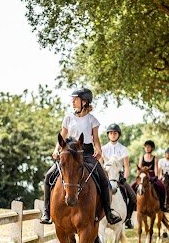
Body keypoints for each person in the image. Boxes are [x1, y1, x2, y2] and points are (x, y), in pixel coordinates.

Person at [39, 88, 123, 225]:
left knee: (103, 179)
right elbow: (63, 136)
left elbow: (96, 140)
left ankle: (109, 213)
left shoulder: (92, 120)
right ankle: (47, 212)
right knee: (49, 176)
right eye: (73, 99)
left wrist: (99, 150)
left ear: (84, 101)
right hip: (68, 152)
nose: (73, 101)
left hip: (86, 153)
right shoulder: (68, 118)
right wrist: (56, 150)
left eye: (76, 99)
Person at [101, 123, 137, 229]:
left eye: (115, 133)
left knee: (133, 197)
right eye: (111, 133)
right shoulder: (103, 148)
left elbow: (126, 166)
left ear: (118, 135)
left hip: (119, 176)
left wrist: (124, 178)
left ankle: (128, 220)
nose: (113, 134)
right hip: (107, 175)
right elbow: (100, 163)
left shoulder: (123, 149)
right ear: (108, 134)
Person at [138, 140, 167, 211]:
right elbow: (139, 168)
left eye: (148, 147)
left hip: (151, 175)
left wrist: (156, 176)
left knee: (162, 186)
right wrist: (138, 177)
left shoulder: (155, 158)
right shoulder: (142, 157)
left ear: (152, 148)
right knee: (132, 186)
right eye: (146, 147)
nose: (147, 148)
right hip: (142, 176)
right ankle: (132, 204)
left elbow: (156, 168)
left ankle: (163, 205)